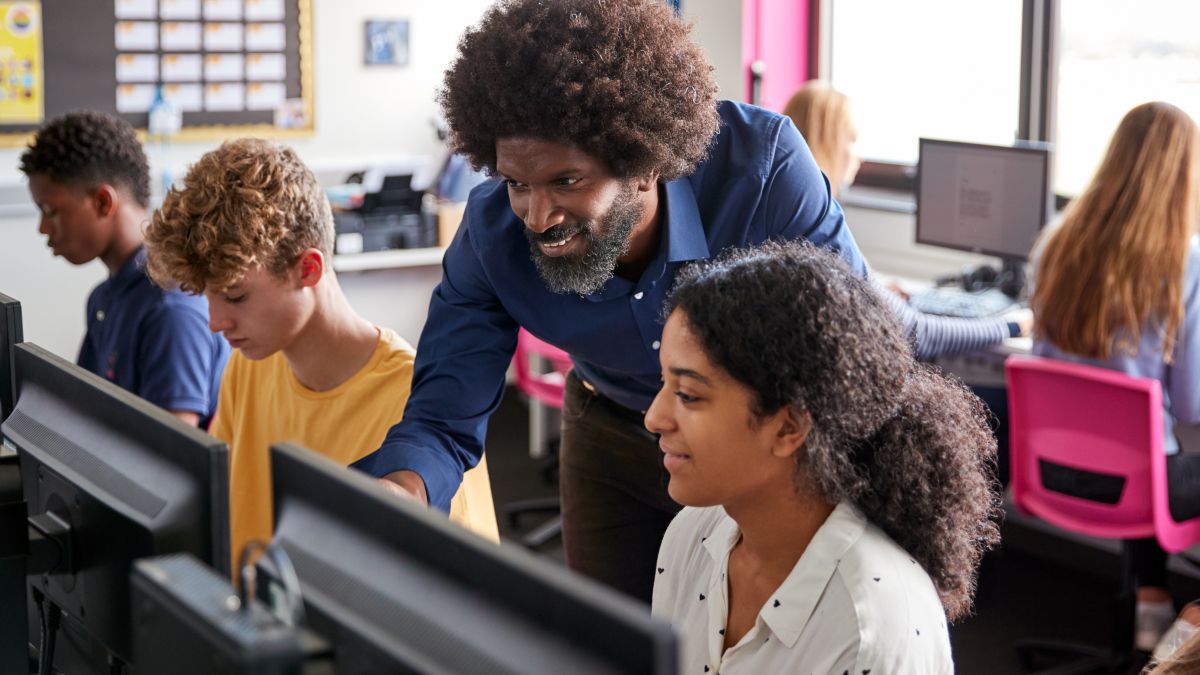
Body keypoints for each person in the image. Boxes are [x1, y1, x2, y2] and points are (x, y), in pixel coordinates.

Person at [353, 0, 867, 603]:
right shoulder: (491, 237)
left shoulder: (763, 174)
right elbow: (443, 413)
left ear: (646, 165)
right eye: (518, 182)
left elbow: (851, 358)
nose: (538, 217)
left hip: (750, 440)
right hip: (608, 431)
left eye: (567, 181)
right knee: (609, 638)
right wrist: (401, 491)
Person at [648, 240, 1001, 673]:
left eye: (687, 394)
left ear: (790, 426)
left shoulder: (871, 628)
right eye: (663, 384)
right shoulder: (693, 535)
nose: (653, 417)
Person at [142, 139, 498, 566]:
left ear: (308, 269)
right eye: (208, 297)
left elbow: (467, 602)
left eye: (235, 297)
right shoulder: (248, 367)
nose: (215, 322)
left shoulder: (424, 409)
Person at [1031, 101, 1200, 651]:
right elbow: (1192, 403)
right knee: (1163, 449)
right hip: (1137, 484)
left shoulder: (1059, 239)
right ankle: (1185, 629)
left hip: (1055, 471)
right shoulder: (1185, 262)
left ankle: (1150, 606)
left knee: (1145, 446)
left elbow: (1040, 352)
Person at [782, 81, 1029, 359]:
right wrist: (1011, 325)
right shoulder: (817, 231)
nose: (858, 154)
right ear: (825, 143)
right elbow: (916, 333)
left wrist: (872, 282)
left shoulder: (783, 214)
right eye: (850, 140)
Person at [19, 110, 228, 428]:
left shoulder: (170, 309)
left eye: (51, 211)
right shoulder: (105, 298)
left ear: (104, 201)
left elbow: (173, 459)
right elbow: (86, 415)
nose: (43, 228)